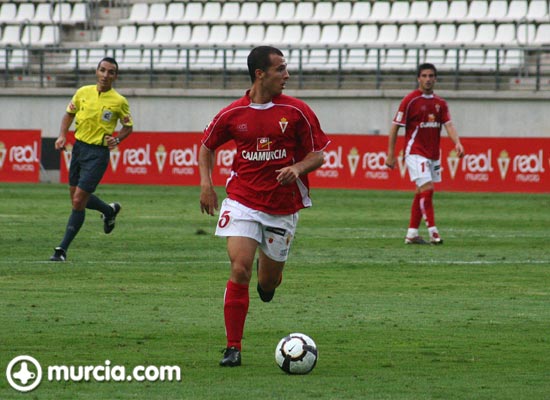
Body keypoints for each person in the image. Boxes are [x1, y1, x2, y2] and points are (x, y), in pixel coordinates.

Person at [199, 46, 330, 367]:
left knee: (268, 282)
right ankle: (233, 347)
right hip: (242, 200)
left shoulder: (297, 111)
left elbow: (319, 155)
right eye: (280, 69)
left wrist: (298, 169)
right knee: (239, 267)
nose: (287, 75)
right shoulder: (232, 114)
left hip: (282, 207)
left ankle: (266, 281)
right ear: (260, 74)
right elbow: (206, 147)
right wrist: (206, 183)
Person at [50, 57, 133, 261]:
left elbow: (128, 126)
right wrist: (62, 135)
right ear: (96, 71)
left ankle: (61, 250)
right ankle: (109, 210)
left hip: (98, 153)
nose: (105, 75)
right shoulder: (82, 92)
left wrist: (117, 139)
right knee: (76, 199)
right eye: (102, 70)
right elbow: (69, 114)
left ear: (115, 76)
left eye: (110, 72)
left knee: (78, 201)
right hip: (78, 148)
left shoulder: (119, 101)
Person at [386, 63, 464, 245]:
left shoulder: (440, 103)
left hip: (432, 154)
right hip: (415, 152)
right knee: (428, 189)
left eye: (431, 76)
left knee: (421, 191)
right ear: (418, 78)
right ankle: (433, 232)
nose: (428, 79)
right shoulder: (410, 100)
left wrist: (457, 142)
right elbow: (395, 128)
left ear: (435, 78)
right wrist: (391, 154)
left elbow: (449, 125)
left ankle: (412, 234)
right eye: (424, 76)